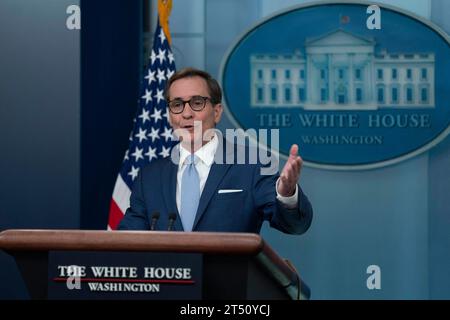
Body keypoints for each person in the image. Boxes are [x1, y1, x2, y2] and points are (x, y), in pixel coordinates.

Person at [118, 67, 313, 234]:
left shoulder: (252, 164)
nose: (186, 113)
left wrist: (287, 194)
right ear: (170, 115)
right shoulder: (150, 177)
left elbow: (295, 226)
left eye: (197, 103)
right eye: (177, 105)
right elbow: (126, 242)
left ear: (217, 112)